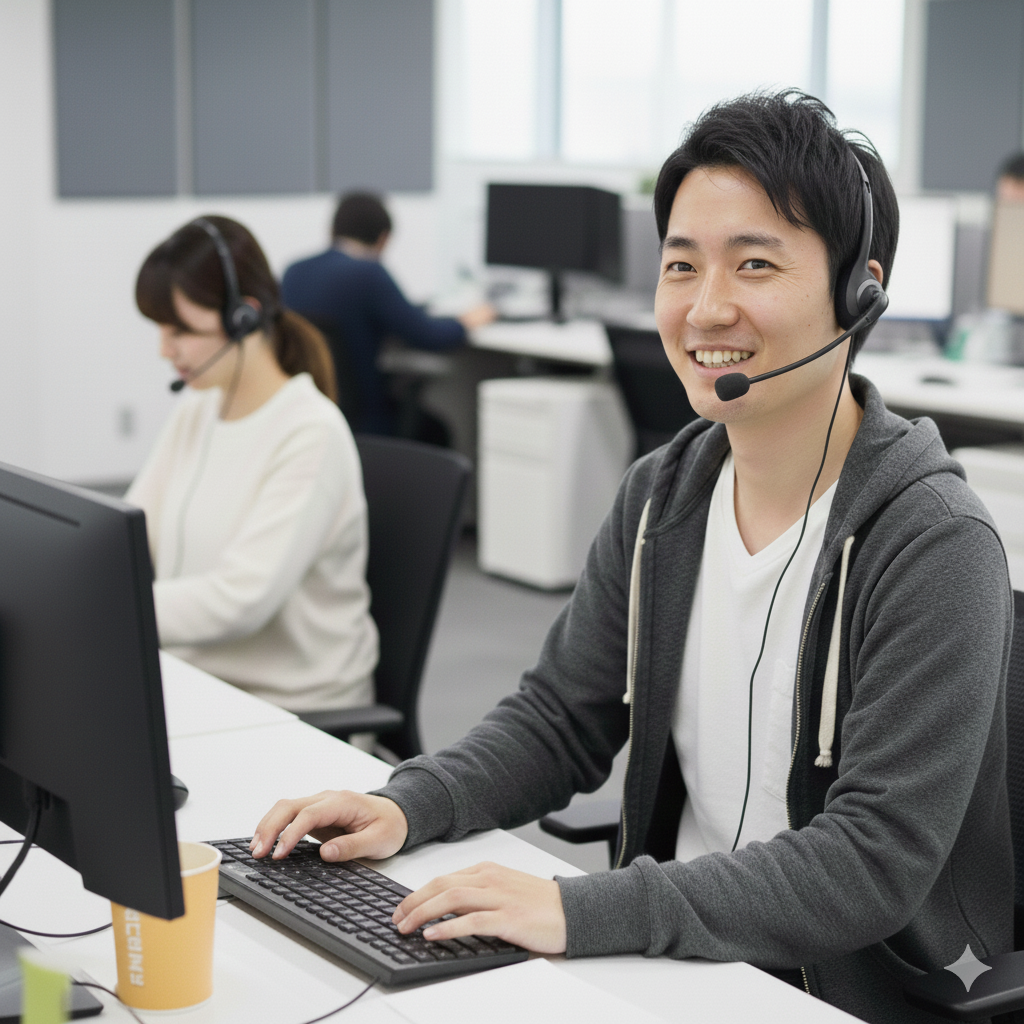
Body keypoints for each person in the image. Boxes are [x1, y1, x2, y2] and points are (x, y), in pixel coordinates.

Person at [252, 93, 1013, 1023]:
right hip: (675, 961)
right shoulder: (664, 495)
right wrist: (411, 803)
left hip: (842, 991)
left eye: (756, 264)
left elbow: (870, 864)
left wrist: (582, 908)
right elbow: (559, 718)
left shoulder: (931, 543)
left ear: (860, 291)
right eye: (681, 266)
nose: (706, 308)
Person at [128, 215, 379, 722]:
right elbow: (130, 530)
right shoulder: (200, 407)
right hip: (200, 688)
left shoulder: (309, 431)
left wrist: (109, 610)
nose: (164, 349)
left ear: (244, 317)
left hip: (292, 713)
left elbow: (241, 600)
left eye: (180, 330)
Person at [281, 192, 496, 436]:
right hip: (366, 417)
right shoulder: (369, 274)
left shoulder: (293, 272)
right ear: (383, 239)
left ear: (332, 229)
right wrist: (466, 322)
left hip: (312, 411)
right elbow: (428, 336)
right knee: (436, 431)